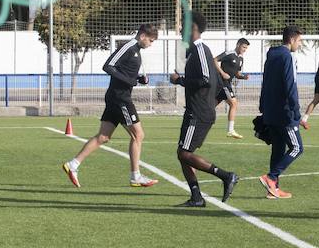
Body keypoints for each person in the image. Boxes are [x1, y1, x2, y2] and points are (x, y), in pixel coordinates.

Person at [61, 24, 159, 189]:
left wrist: (139, 79)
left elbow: (126, 72)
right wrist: (129, 81)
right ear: (142, 36)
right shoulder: (128, 47)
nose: (151, 44)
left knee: (103, 137)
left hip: (117, 97)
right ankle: (135, 176)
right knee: (138, 135)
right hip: (120, 98)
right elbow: (108, 66)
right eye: (150, 40)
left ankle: (73, 164)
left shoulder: (136, 51)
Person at [169, 12, 238, 206]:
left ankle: (226, 176)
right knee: (182, 153)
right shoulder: (194, 51)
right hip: (196, 109)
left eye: (184, 26)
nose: (181, 29)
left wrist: (179, 80)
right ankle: (197, 197)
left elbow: (206, 80)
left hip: (198, 113)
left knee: (184, 154)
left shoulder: (200, 50)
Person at [258, 25, 305, 198]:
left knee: (278, 149)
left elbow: (265, 82)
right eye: (299, 41)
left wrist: (262, 106)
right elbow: (290, 85)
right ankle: (271, 177)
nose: (299, 44)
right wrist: (296, 112)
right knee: (297, 148)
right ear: (292, 39)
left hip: (270, 112)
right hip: (285, 114)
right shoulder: (287, 57)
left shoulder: (271, 56)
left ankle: (273, 190)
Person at [217, 37, 251, 139]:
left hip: (228, 83)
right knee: (234, 103)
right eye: (243, 47)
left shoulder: (241, 59)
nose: (244, 50)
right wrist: (222, 73)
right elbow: (214, 60)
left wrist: (243, 77)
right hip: (222, 83)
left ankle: (196, 115)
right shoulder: (229, 53)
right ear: (238, 45)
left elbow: (237, 73)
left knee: (211, 104)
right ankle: (230, 130)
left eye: (246, 48)